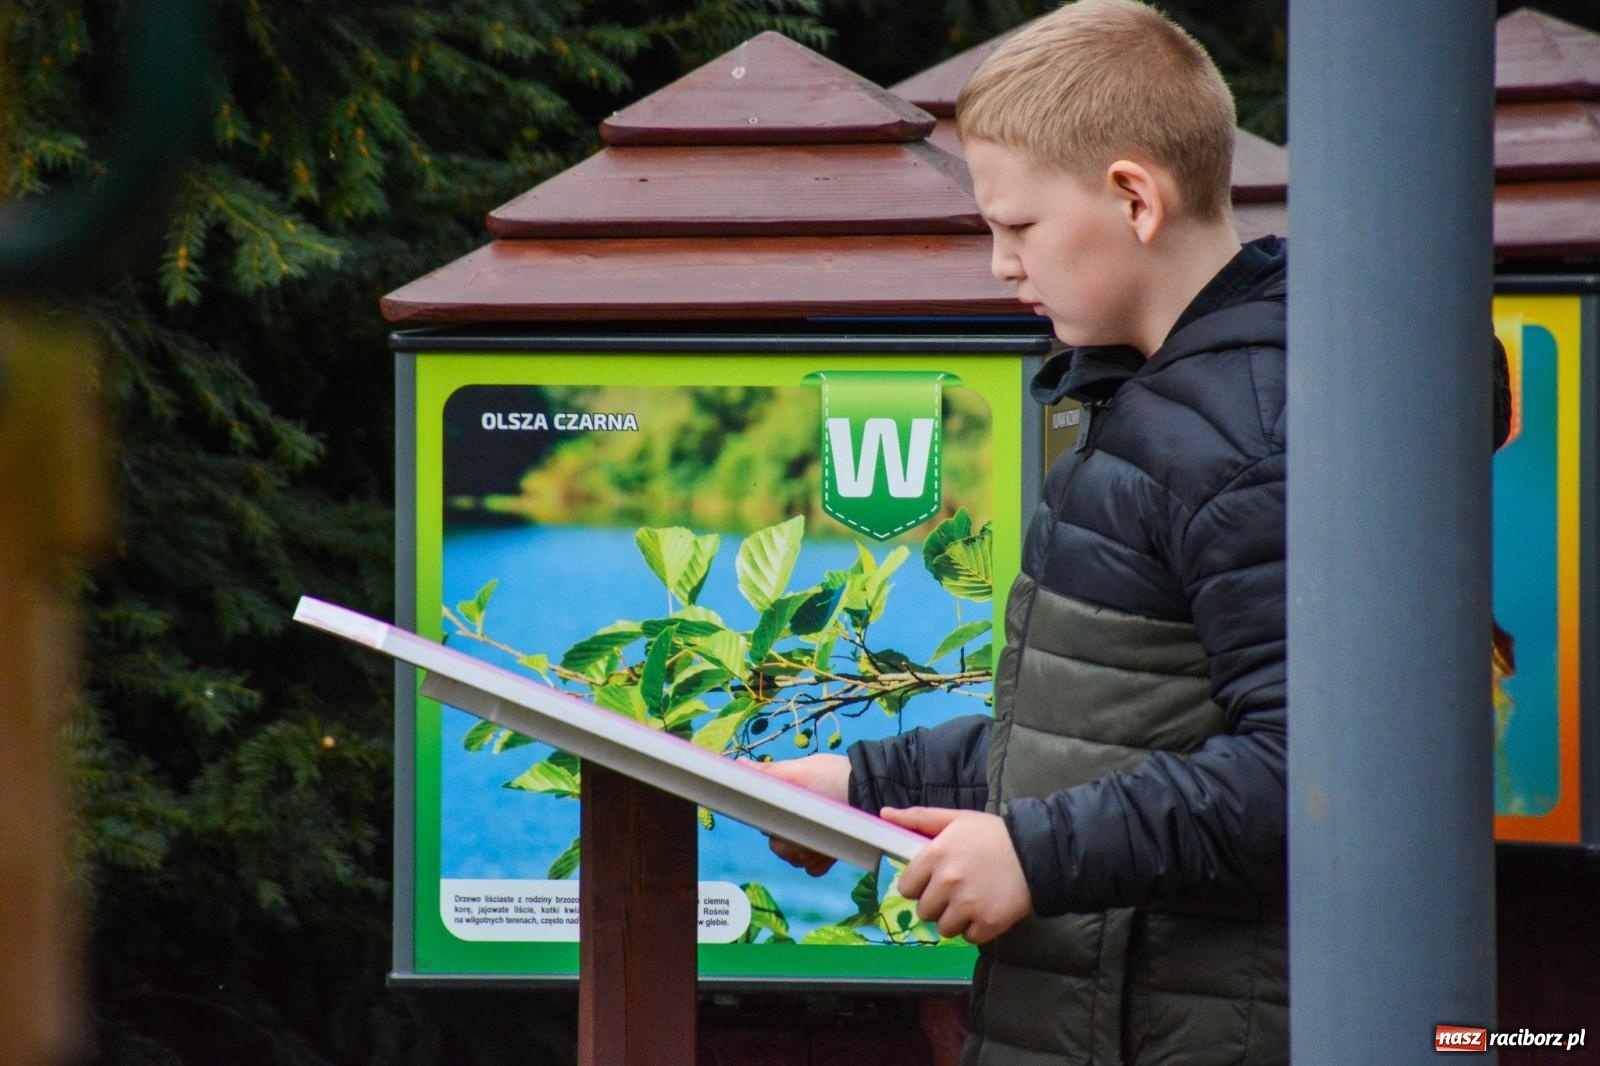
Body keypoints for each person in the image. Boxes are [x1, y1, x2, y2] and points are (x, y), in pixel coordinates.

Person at [764, 2, 1292, 1061]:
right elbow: (1104, 735)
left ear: (1134, 197)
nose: (1000, 264)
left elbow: (1312, 772)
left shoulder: (1248, 437)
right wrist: (868, 781)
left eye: (1018, 227)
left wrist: (1035, 855)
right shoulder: (1154, 405)